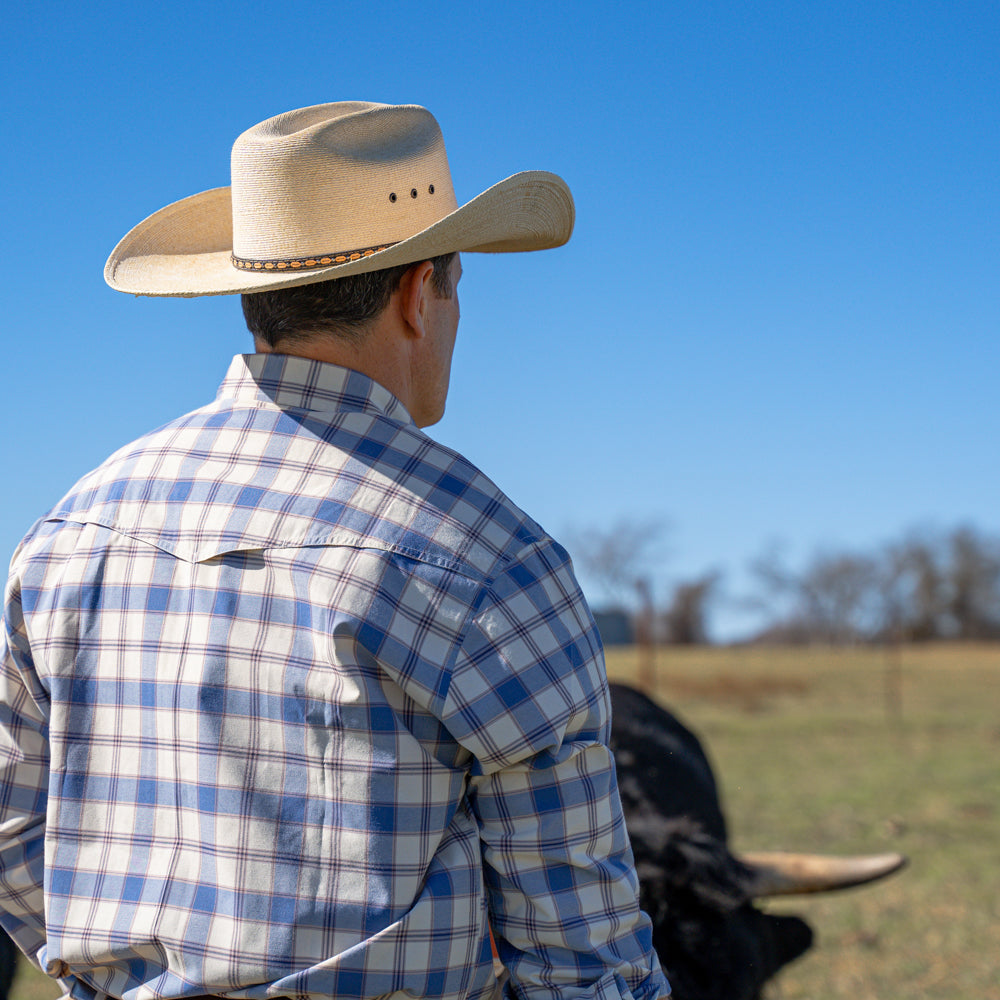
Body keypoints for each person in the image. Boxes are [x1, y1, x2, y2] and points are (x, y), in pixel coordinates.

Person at [0, 102, 668, 1000]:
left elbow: (12, 833)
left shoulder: (69, 534)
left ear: (253, 296)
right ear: (417, 293)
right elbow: (585, 957)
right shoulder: (488, 559)